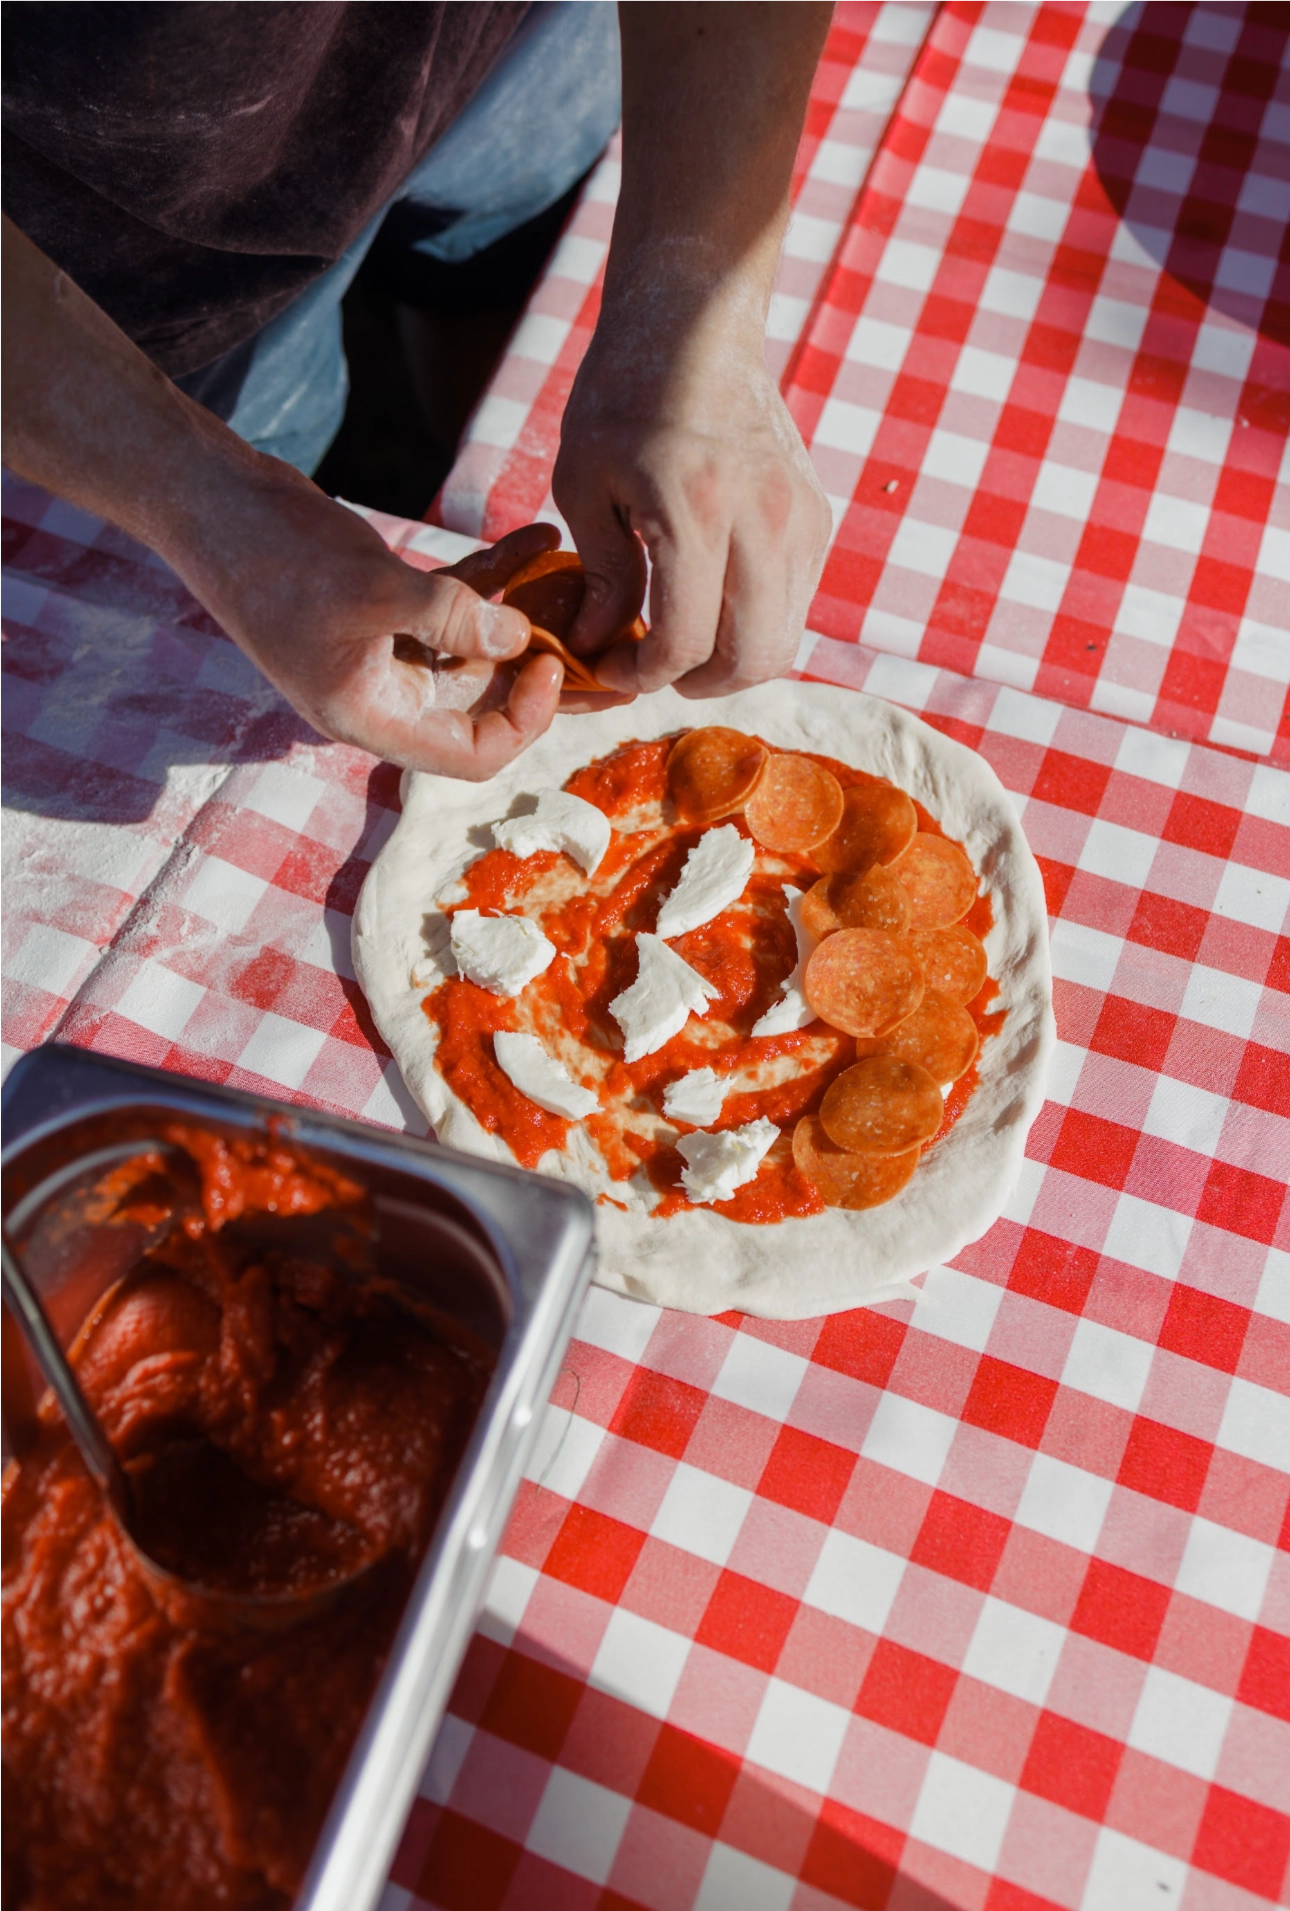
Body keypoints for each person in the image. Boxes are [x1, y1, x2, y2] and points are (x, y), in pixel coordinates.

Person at [0, 0, 832, 780]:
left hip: (516, 42)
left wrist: (696, 311)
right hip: (112, 269)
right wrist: (211, 499)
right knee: (273, 443)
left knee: (485, 265)